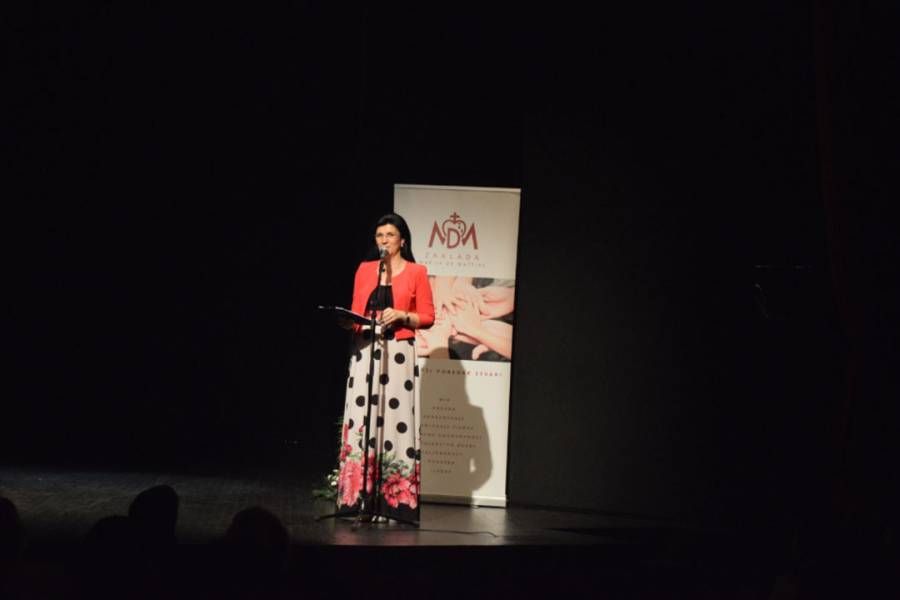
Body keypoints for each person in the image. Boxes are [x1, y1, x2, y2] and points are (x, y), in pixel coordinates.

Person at [334, 213, 434, 524]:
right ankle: (358, 498)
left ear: (402, 240)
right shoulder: (365, 269)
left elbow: (428, 317)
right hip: (365, 351)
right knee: (362, 419)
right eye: (380, 236)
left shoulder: (417, 271)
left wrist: (402, 315)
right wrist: (348, 322)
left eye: (390, 235)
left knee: (395, 420)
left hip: (398, 353)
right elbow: (356, 310)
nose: (384, 240)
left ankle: (394, 503)